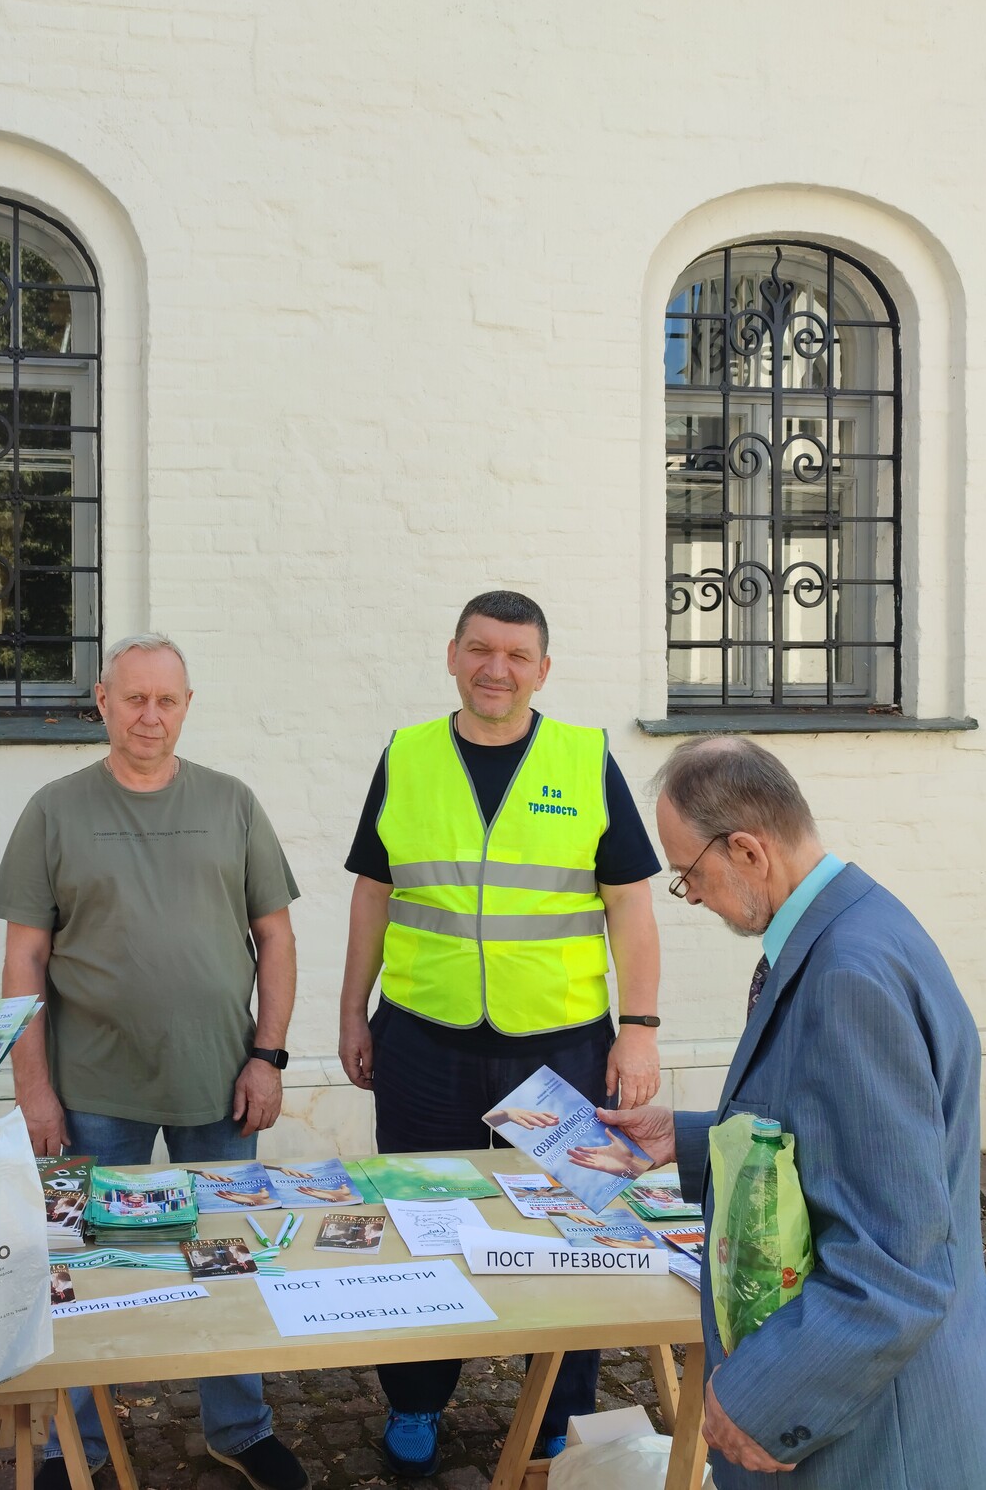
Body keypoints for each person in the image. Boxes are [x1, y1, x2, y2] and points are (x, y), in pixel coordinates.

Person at [597, 737, 986, 1488]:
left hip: (884, 1436)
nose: (694, 898)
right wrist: (690, 1139)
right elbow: (833, 1135)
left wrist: (762, 1400)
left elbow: (895, 1258)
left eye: (690, 876)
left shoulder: (846, 976)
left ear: (748, 850)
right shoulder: (856, 921)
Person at [336, 589, 665, 1475]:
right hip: (424, 1038)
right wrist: (353, 1011)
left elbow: (630, 906)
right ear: (453, 656)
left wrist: (638, 1030)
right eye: (481, 649)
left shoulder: (585, 758)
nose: (497, 669)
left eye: (518, 655)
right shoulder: (406, 755)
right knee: (420, 1221)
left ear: (543, 670)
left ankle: (559, 1413)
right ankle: (414, 1402)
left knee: (569, 1228)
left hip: (558, 1044)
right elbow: (373, 893)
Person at [0, 633, 308, 1490]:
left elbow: (275, 938)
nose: (150, 717)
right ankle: (77, 1446)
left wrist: (269, 1056)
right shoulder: (54, 810)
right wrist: (33, 1090)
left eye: (167, 700)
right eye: (134, 699)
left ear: (187, 706)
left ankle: (240, 1428)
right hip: (93, 1087)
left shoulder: (232, 803)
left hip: (219, 1081)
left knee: (227, 1252)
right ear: (102, 701)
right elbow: (23, 959)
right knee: (84, 1264)